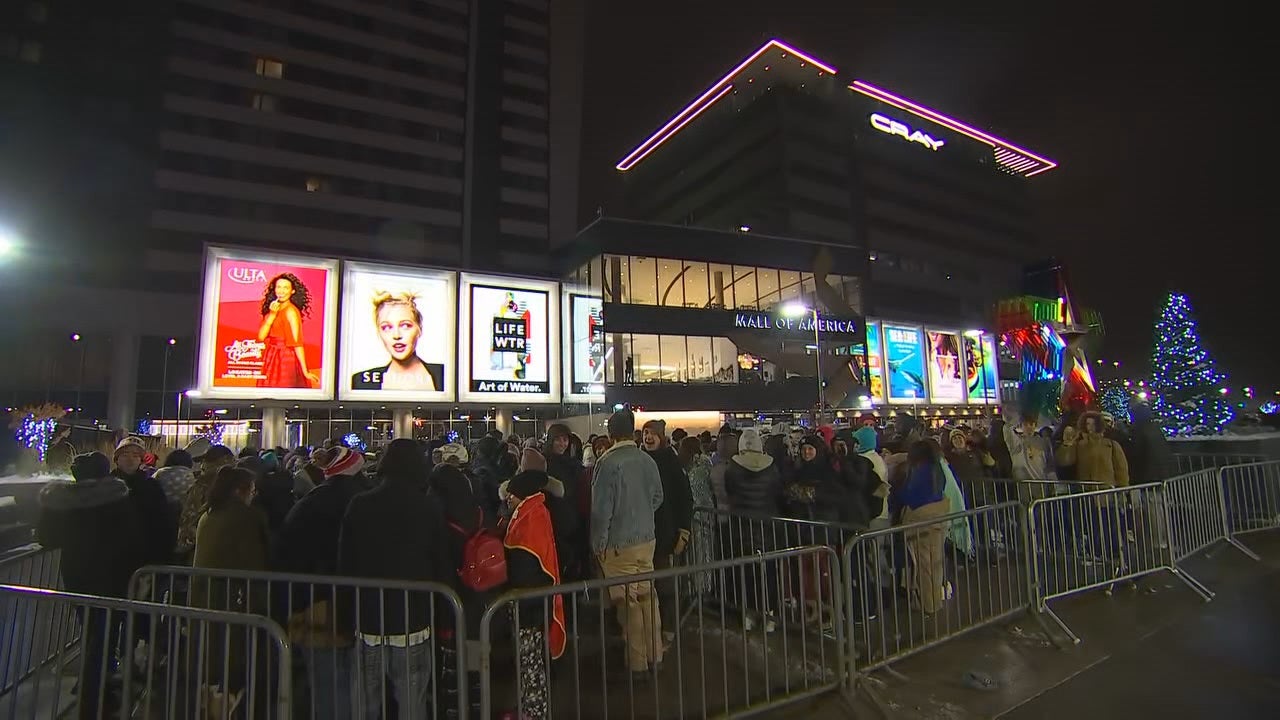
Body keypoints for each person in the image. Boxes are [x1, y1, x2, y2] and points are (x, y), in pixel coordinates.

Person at [338, 438, 451, 719]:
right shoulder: (428, 508)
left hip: (367, 619)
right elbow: (441, 562)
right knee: (412, 701)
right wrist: (446, 614)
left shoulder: (359, 504)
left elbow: (345, 563)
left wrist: (344, 616)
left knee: (364, 702)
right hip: (412, 618)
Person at [37, 452, 146, 719]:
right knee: (104, 632)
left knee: (91, 629)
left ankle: (93, 685)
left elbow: (46, 538)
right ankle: (95, 692)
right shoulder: (116, 497)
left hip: (76, 572)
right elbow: (131, 535)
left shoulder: (60, 500)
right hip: (112, 574)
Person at [273, 448, 366, 720]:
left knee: (325, 681)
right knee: (349, 680)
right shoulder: (358, 502)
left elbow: (285, 553)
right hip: (350, 603)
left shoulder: (308, 504)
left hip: (312, 602)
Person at [591, 409, 665, 678]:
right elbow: (658, 496)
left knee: (628, 603)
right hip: (647, 539)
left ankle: (637, 664)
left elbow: (601, 511)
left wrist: (598, 543)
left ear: (611, 434)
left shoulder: (608, 463)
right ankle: (655, 655)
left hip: (618, 543)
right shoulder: (646, 460)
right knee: (647, 597)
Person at [192, 466, 271, 705]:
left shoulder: (209, 513)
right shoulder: (246, 518)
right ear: (241, 491)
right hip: (235, 600)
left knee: (213, 665)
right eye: (252, 490)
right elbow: (254, 560)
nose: (254, 495)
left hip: (207, 599)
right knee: (233, 667)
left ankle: (210, 704)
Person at [501, 470, 567, 720]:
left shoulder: (531, 519)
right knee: (528, 662)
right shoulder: (532, 512)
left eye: (512, 495)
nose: (508, 499)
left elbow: (528, 566)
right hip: (531, 604)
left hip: (528, 606)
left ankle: (534, 712)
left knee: (531, 664)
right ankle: (528, 708)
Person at [641, 419, 693, 644]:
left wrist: (684, 530)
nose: (648, 438)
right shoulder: (639, 461)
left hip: (664, 531)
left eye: (652, 433)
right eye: (645, 433)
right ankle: (647, 627)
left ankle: (668, 625)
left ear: (662, 437)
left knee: (664, 583)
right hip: (641, 533)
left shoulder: (671, 462)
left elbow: (685, 498)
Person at [889, 442, 951, 615]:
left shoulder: (920, 471)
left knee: (924, 564)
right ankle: (934, 602)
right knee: (935, 562)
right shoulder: (937, 468)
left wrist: (896, 491)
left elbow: (913, 496)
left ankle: (928, 604)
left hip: (922, 519)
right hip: (939, 516)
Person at [351, 291, 445, 391]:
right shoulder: (361, 382)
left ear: (419, 329)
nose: (396, 335)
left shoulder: (447, 375)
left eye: (405, 325)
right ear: (379, 333)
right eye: (386, 327)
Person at [113, 436, 175, 566]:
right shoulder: (107, 485)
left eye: (136, 455)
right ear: (116, 459)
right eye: (125, 455)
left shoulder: (151, 486)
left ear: (141, 460)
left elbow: (162, 521)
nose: (130, 459)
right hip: (111, 556)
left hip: (144, 556)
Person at [257, 272, 321, 389]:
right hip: (271, 355)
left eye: (285, 288)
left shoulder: (291, 311)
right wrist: (272, 314)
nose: (281, 291)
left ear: (292, 291)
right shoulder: (274, 308)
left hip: (285, 358)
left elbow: (297, 343)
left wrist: (305, 371)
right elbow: (261, 337)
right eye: (279, 287)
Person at [543, 423, 586, 580]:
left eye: (565, 440)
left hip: (573, 523)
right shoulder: (544, 464)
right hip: (553, 523)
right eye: (558, 440)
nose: (562, 444)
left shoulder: (574, 464)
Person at [178, 444, 237, 556]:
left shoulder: (235, 487)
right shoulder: (199, 486)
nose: (203, 465)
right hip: (200, 550)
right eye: (202, 461)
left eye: (210, 461)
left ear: (226, 461)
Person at [677, 436, 715, 589]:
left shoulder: (693, 470)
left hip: (697, 518)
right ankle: (703, 588)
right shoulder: (706, 464)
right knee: (703, 554)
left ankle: (700, 590)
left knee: (699, 555)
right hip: (706, 517)